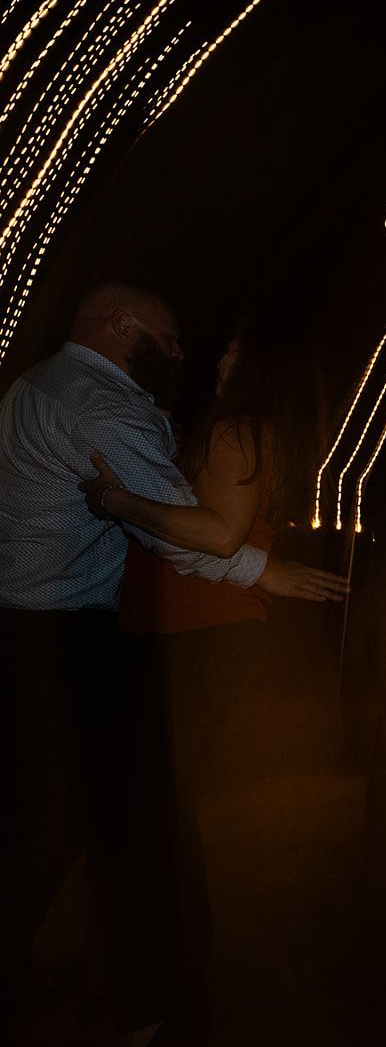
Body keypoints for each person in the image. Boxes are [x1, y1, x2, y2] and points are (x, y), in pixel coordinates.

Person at [0, 284, 340, 1042]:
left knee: (127, 822)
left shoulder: (34, 386)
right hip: (92, 636)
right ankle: (146, 991)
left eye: (215, 347)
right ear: (120, 326)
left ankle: (153, 996)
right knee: (117, 820)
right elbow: (202, 538)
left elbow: (202, 536)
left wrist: (128, 507)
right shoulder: (108, 406)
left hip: (148, 635)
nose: (190, 353)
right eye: (172, 337)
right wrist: (261, 569)